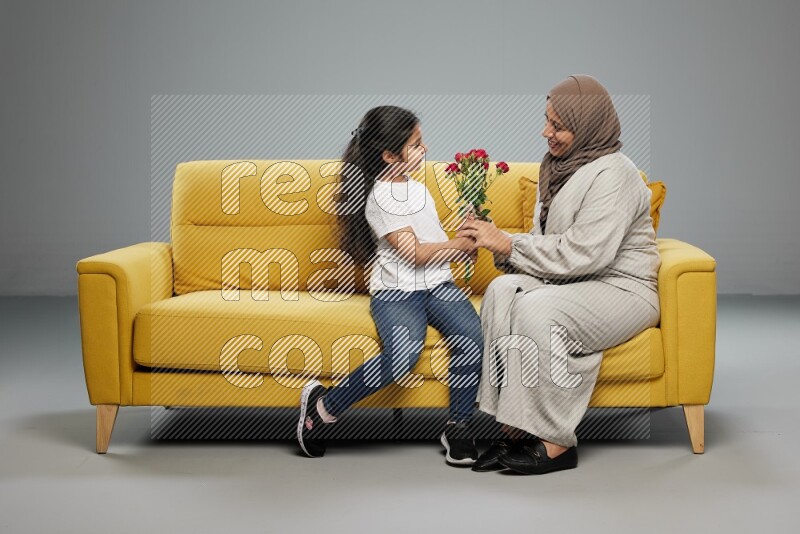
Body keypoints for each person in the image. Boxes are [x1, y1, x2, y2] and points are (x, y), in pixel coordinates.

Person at [457, 75, 661, 475]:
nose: (545, 132)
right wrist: (499, 244)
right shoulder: (555, 167)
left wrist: (506, 243)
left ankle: (556, 442)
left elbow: (587, 252)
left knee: (538, 310)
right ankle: (515, 426)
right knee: (503, 290)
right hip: (575, 282)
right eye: (546, 120)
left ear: (587, 127)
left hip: (621, 287)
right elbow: (544, 240)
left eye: (558, 126)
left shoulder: (615, 173)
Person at [296, 105, 484, 466]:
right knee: (402, 358)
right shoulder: (380, 198)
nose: (425, 149)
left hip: (438, 285)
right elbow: (413, 253)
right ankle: (322, 408)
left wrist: (464, 247)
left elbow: (432, 243)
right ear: (388, 155)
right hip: (396, 292)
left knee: (471, 339)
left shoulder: (417, 189)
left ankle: (458, 425)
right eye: (416, 144)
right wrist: (456, 246)